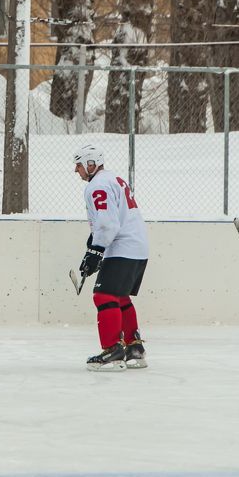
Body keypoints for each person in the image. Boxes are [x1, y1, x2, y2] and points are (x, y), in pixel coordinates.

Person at [74, 144, 149, 372]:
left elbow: (108, 223)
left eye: (79, 165)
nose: (76, 171)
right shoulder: (114, 179)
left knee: (103, 295)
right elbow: (112, 217)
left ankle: (112, 351)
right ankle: (134, 349)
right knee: (120, 296)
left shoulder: (97, 185)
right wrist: (93, 243)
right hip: (137, 247)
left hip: (122, 247)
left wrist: (96, 250)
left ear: (90, 164)